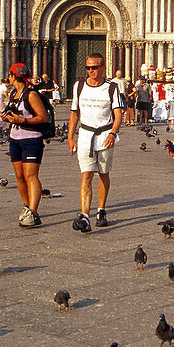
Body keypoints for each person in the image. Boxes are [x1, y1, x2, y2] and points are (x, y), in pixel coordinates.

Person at [67, 53, 124, 232]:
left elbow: (118, 114)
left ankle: (101, 209)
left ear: (102, 68)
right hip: (85, 135)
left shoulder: (112, 88)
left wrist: (113, 134)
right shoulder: (79, 86)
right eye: (88, 68)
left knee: (104, 173)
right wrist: (70, 137)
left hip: (105, 135)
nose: (91, 71)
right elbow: (74, 113)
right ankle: (85, 215)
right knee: (86, 175)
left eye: (94, 67)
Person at [0, 62, 50, 228]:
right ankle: (27, 206)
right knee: (20, 177)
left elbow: (43, 118)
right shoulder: (14, 93)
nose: (8, 77)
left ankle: (34, 213)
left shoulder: (31, 95)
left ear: (14, 76)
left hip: (31, 139)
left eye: (9, 74)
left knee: (31, 176)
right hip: (15, 139)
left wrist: (22, 120)